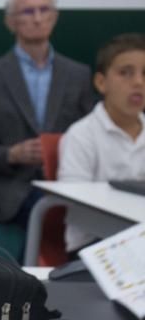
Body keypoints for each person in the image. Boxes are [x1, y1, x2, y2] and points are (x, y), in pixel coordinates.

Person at [0, 0, 95, 225]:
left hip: (68, 180)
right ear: (10, 22)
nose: (37, 19)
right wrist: (12, 154)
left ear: (54, 17)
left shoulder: (78, 74)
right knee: (48, 210)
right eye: (27, 12)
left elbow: (92, 136)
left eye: (44, 10)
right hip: (11, 187)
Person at [58, 33, 145, 252]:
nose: (138, 82)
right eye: (125, 73)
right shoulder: (81, 135)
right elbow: (76, 204)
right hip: (95, 246)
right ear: (101, 82)